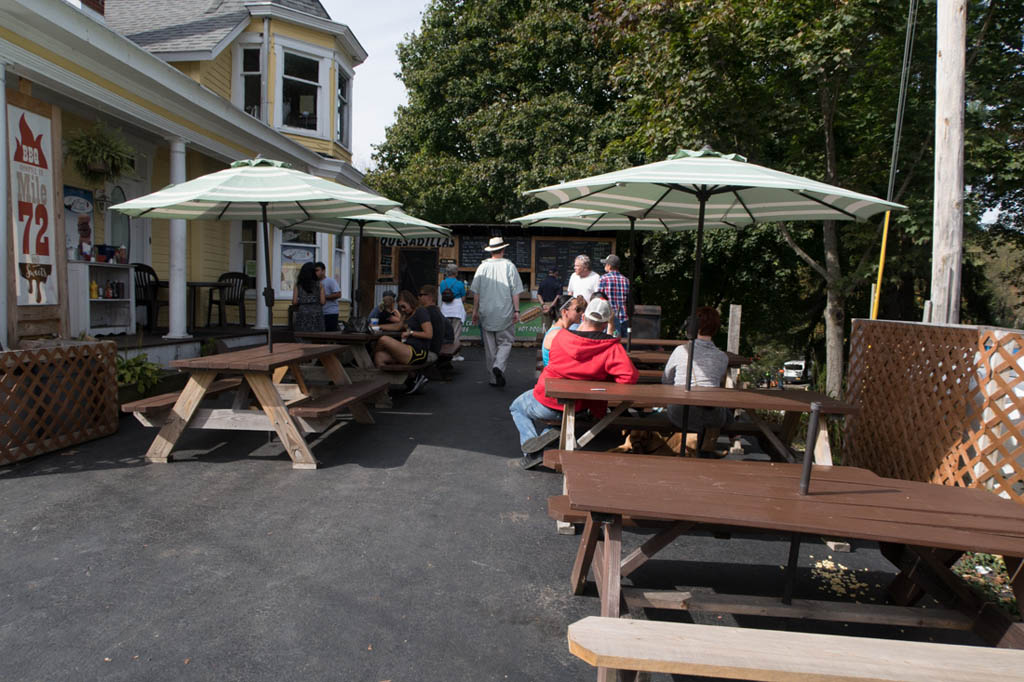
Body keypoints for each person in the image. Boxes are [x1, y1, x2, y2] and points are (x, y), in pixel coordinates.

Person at [510, 298, 638, 469]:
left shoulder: (561, 337)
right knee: (557, 416)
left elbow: (553, 362)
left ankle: (532, 453)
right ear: (606, 322)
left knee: (516, 407)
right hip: (581, 407)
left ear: (583, 316)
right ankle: (551, 435)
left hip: (548, 401)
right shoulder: (611, 348)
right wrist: (605, 376)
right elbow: (628, 377)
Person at [662, 306, 730, 457]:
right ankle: (707, 447)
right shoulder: (722, 357)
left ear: (692, 326)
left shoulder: (681, 351)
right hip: (712, 416)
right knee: (728, 415)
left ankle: (693, 448)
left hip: (681, 414)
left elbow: (666, 380)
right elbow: (717, 381)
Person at [470, 236, 524, 388]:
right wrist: (517, 310)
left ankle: (493, 378)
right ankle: (499, 366)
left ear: (491, 251)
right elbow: (515, 291)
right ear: (503, 249)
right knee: (505, 342)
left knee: (490, 347)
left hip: (486, 312)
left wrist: (475, 311)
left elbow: (476, 292)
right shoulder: (509, 266)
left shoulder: (482, 267)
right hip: (504, 312)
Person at [374, 290, 439, 394]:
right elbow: (397, 326)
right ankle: (383, 390)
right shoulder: (406, 314)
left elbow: (429, 334)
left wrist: (411, 333)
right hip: (407, 349)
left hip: (418, 351)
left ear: (410, 301)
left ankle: (411, 376)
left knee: (383, 339)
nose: (402, 309)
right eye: (400, 307)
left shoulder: (420, 311)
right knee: (379, 356)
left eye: (404, 306)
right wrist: (377, 327)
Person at [540, 294, 586, 367]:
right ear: (564, 312)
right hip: (556, 376)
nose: (581, 313)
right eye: (578, 309)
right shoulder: (557, 333)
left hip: (558, 375)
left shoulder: (559, 330)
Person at [439, 263, 467, 360]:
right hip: (457, 311)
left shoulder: (443, 283)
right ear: (456, 272)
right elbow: (463, 298)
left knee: (445, 334)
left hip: (445, 310)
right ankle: (455, 355)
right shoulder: (459, 284)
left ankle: (444, 354)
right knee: (455, 334)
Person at [598, 254, 630, 338]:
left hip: (610, 319)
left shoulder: (603, 279)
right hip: (624, 318)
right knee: (623, 345)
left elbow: (599, 299)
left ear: (609, 266)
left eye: (605, 264)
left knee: (611, 342)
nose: (604, 266)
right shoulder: (626, 280)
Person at [291, 262, 325, 332]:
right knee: (317, 338)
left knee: (302, 336)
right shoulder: (319, 284)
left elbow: (294, 302)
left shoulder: (298, 285)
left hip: (302, 313)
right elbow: (323, 301)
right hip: (317, 314)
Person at [314, 261, 341, 332]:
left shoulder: (330, 281)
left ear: (323, 271)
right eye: (314, 271)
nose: (315, 272)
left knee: (330, 334)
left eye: (317, 270)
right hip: (319, 313)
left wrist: (323, 297)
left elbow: (338, 294)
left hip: (330, 313)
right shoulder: (314, 282)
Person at [535, 267, 563, 333]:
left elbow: (539, 294)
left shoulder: (543, 282)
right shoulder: (558, 283)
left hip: (545, 305)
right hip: (555, 306)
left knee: (545, 327)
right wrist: (552, 305)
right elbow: (558, 296)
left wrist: (543, 304)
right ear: (556, 273)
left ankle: (545, 341)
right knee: (558, 326)